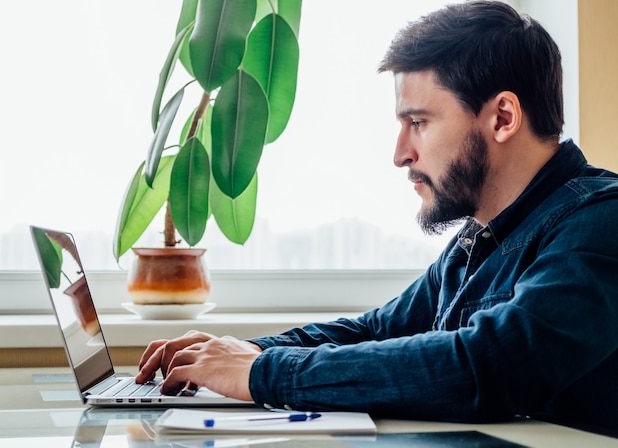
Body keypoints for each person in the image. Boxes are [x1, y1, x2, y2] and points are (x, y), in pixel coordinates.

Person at [135, 1, 618, 432]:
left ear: (503, 118)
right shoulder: (480, 238)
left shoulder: (601, 221)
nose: (400, 154)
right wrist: (238, 354)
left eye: (419, 123)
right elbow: (375, 330)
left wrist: (261, 374)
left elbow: (488, 366)